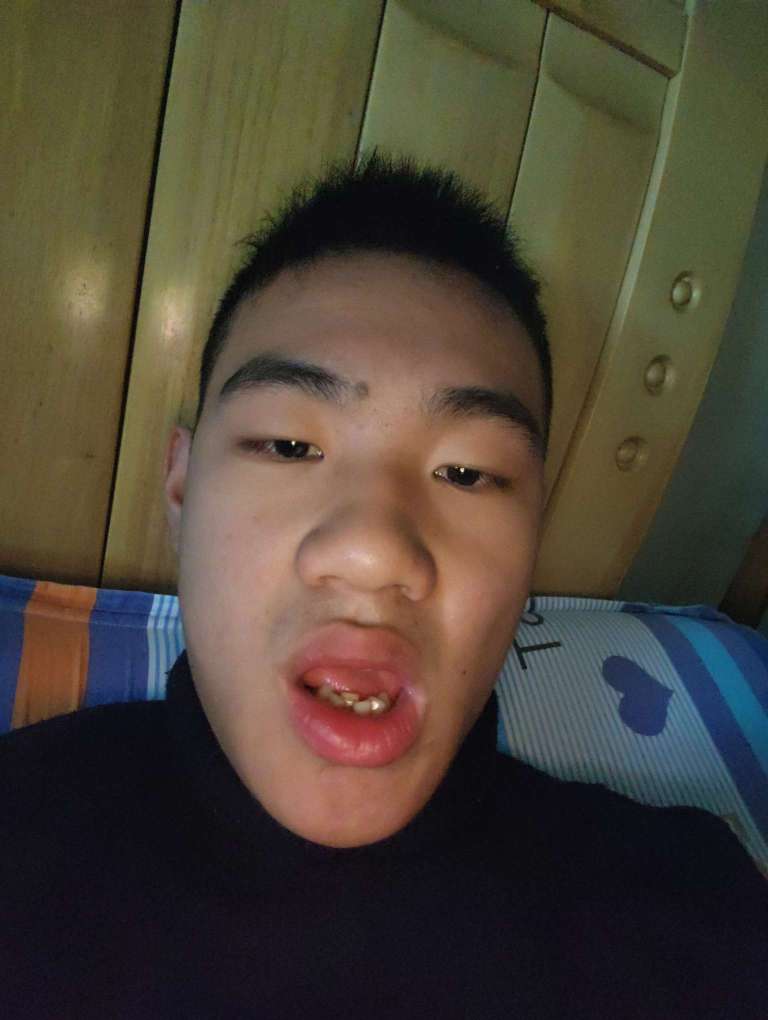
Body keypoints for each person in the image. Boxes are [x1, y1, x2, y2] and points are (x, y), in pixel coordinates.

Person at [1, 154, 766, 1019]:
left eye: (468, 473)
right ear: (181, 490)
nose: (373, 551)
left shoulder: (699, 914)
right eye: (289, 447)